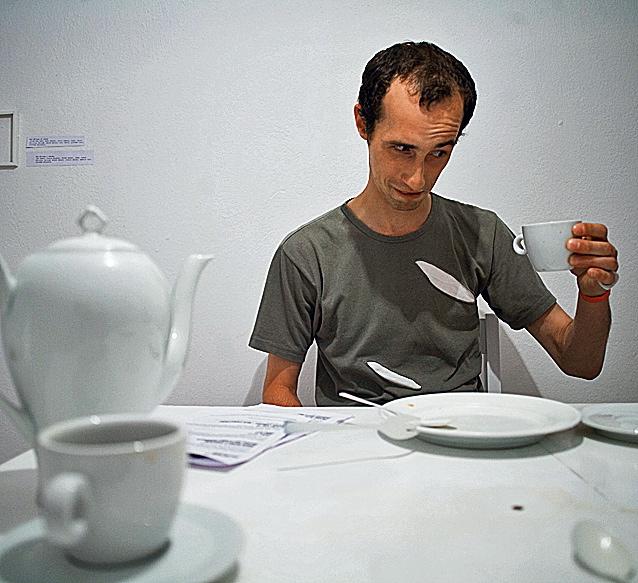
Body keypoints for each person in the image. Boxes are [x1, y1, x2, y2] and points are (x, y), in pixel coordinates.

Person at [249, 41, 619, 407]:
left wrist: (594, 293)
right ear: (363, 122)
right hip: (357, 437)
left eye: (439, 152)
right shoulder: (306, 253)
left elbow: (580, 363)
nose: (418, 179)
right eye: (402, 149)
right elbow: (278, 391)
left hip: (462, 433)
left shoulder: (481, 234)